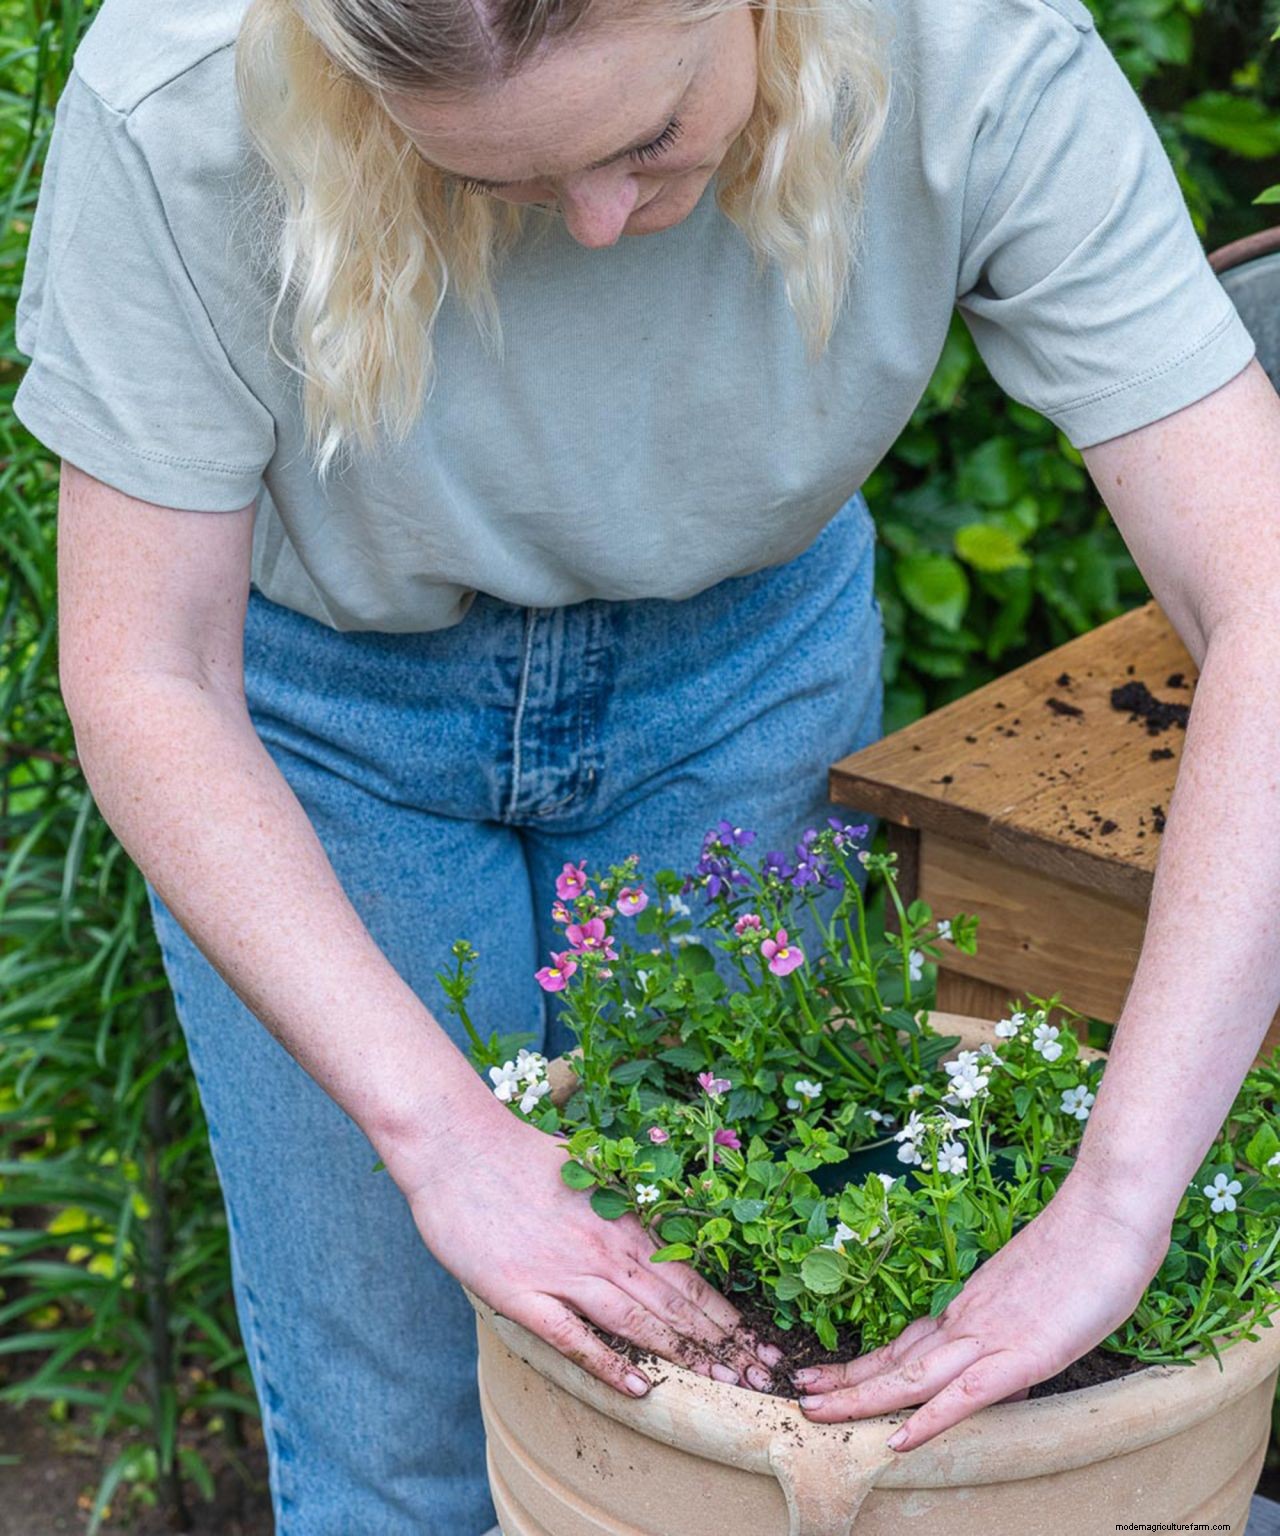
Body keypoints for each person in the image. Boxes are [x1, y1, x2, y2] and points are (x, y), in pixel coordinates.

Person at [14, 0, 1280, 1528]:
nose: (601, 227)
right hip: (317, 732)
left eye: (648, 141)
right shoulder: (185, 91)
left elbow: (1265, 591)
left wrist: (1123, 1199)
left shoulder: (970, 39)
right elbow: (149, 676)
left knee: (750, 1387)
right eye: (492, 182)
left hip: (744, 673)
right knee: (402, 1445)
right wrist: (445, 1141)